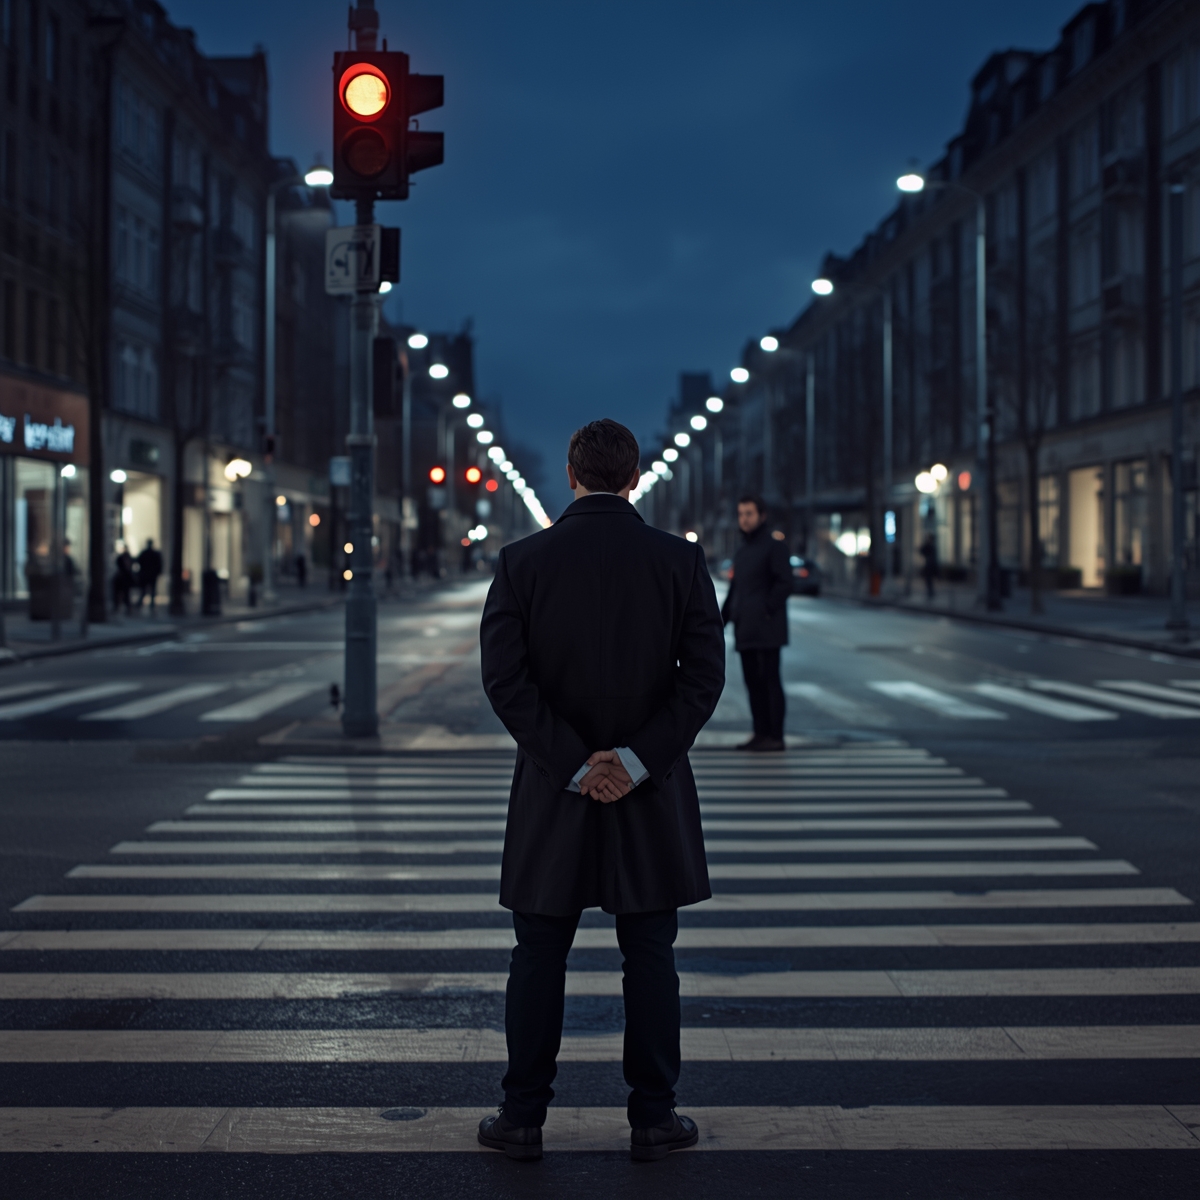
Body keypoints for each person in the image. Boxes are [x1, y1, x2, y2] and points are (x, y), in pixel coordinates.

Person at [478, 418, 725, 1163]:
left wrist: (577, 763)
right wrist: (634, 758)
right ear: (635, 475)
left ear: (570, 472)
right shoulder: (678, 562)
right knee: (650, 953)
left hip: (555, 791)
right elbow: (703, 680)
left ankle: (523, 1117)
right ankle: (653, 1116)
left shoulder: (523, 561)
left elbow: (505, 682)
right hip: (649, 793)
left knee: (538, 953)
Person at [720, 496, 791, 752]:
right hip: (745, 628)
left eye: (749, 514)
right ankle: (760, 733)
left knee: (770, 681)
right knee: (753, 683)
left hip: (767, 628)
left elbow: (784, 582)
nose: (744, 519)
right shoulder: (742, 550)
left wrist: (766, 610)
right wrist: (720, 622)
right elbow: (735, 591)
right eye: (741, 514)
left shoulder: (774, 547)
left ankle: (775, 736)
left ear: (761, 516)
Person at [137, 539, 163, 612]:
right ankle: (150, 604)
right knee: (150, 590)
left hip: (147, 574)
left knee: (145, 590)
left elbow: (139, 561)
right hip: (151, 574)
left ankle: (143, 603)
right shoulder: (154, 553)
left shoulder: (145, 553)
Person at [112, 546, 134, 615]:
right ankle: (120, 607)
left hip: (125, 579)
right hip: (122, 578)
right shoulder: (122, 558)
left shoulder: (127, 558)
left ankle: (126, 608)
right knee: (121, 594)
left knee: (126, 594)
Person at [920, 533, 938, 600]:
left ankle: (931, 592)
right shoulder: (928, 546)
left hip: (931, 566)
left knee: (930, 581)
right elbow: (922, 551)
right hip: (928, 566)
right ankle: (930, 592)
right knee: (928, 581)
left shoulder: (932, 547)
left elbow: (934, 558)